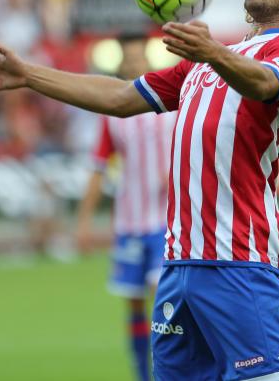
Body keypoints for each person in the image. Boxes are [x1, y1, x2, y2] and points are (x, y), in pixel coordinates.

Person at [0, 0, 279, 381]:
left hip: (239, 264)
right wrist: (28, 74)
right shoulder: (208, 63)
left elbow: (265, 85)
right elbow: (119, 97)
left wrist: (212, 53)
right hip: (177, 270)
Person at [76, 35, 175, 381]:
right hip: (130, 223)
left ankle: (168, 372)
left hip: (167, 223)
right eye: (127, 59)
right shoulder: (113, 114)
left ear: (148, 60)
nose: (133, 64)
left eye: (138, 58)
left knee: (162, 302)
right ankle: (142, 374)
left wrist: (176, 174)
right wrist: (85, 222)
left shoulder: (169, 105)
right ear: (120, 63)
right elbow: (98, 166)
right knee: (134, 304)